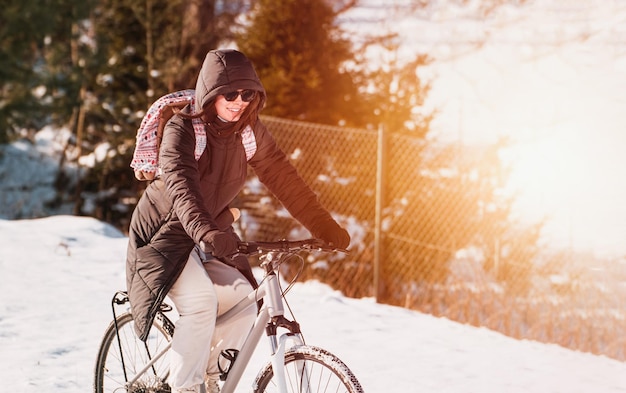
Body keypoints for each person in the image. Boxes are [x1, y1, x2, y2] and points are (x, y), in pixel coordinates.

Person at [125, 48, 351, 393]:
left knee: (243, 300)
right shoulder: (183, 131)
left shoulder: (248, 132)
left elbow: (284, 178)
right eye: (229, 93)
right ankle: (186, 388)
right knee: (201, 303)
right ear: (211, 93)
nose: (239, 101)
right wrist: (207, 232)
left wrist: (322, 226)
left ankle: (211, 383)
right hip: (162, 238)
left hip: (209, 233)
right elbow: (183, 190)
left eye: (247, 94)